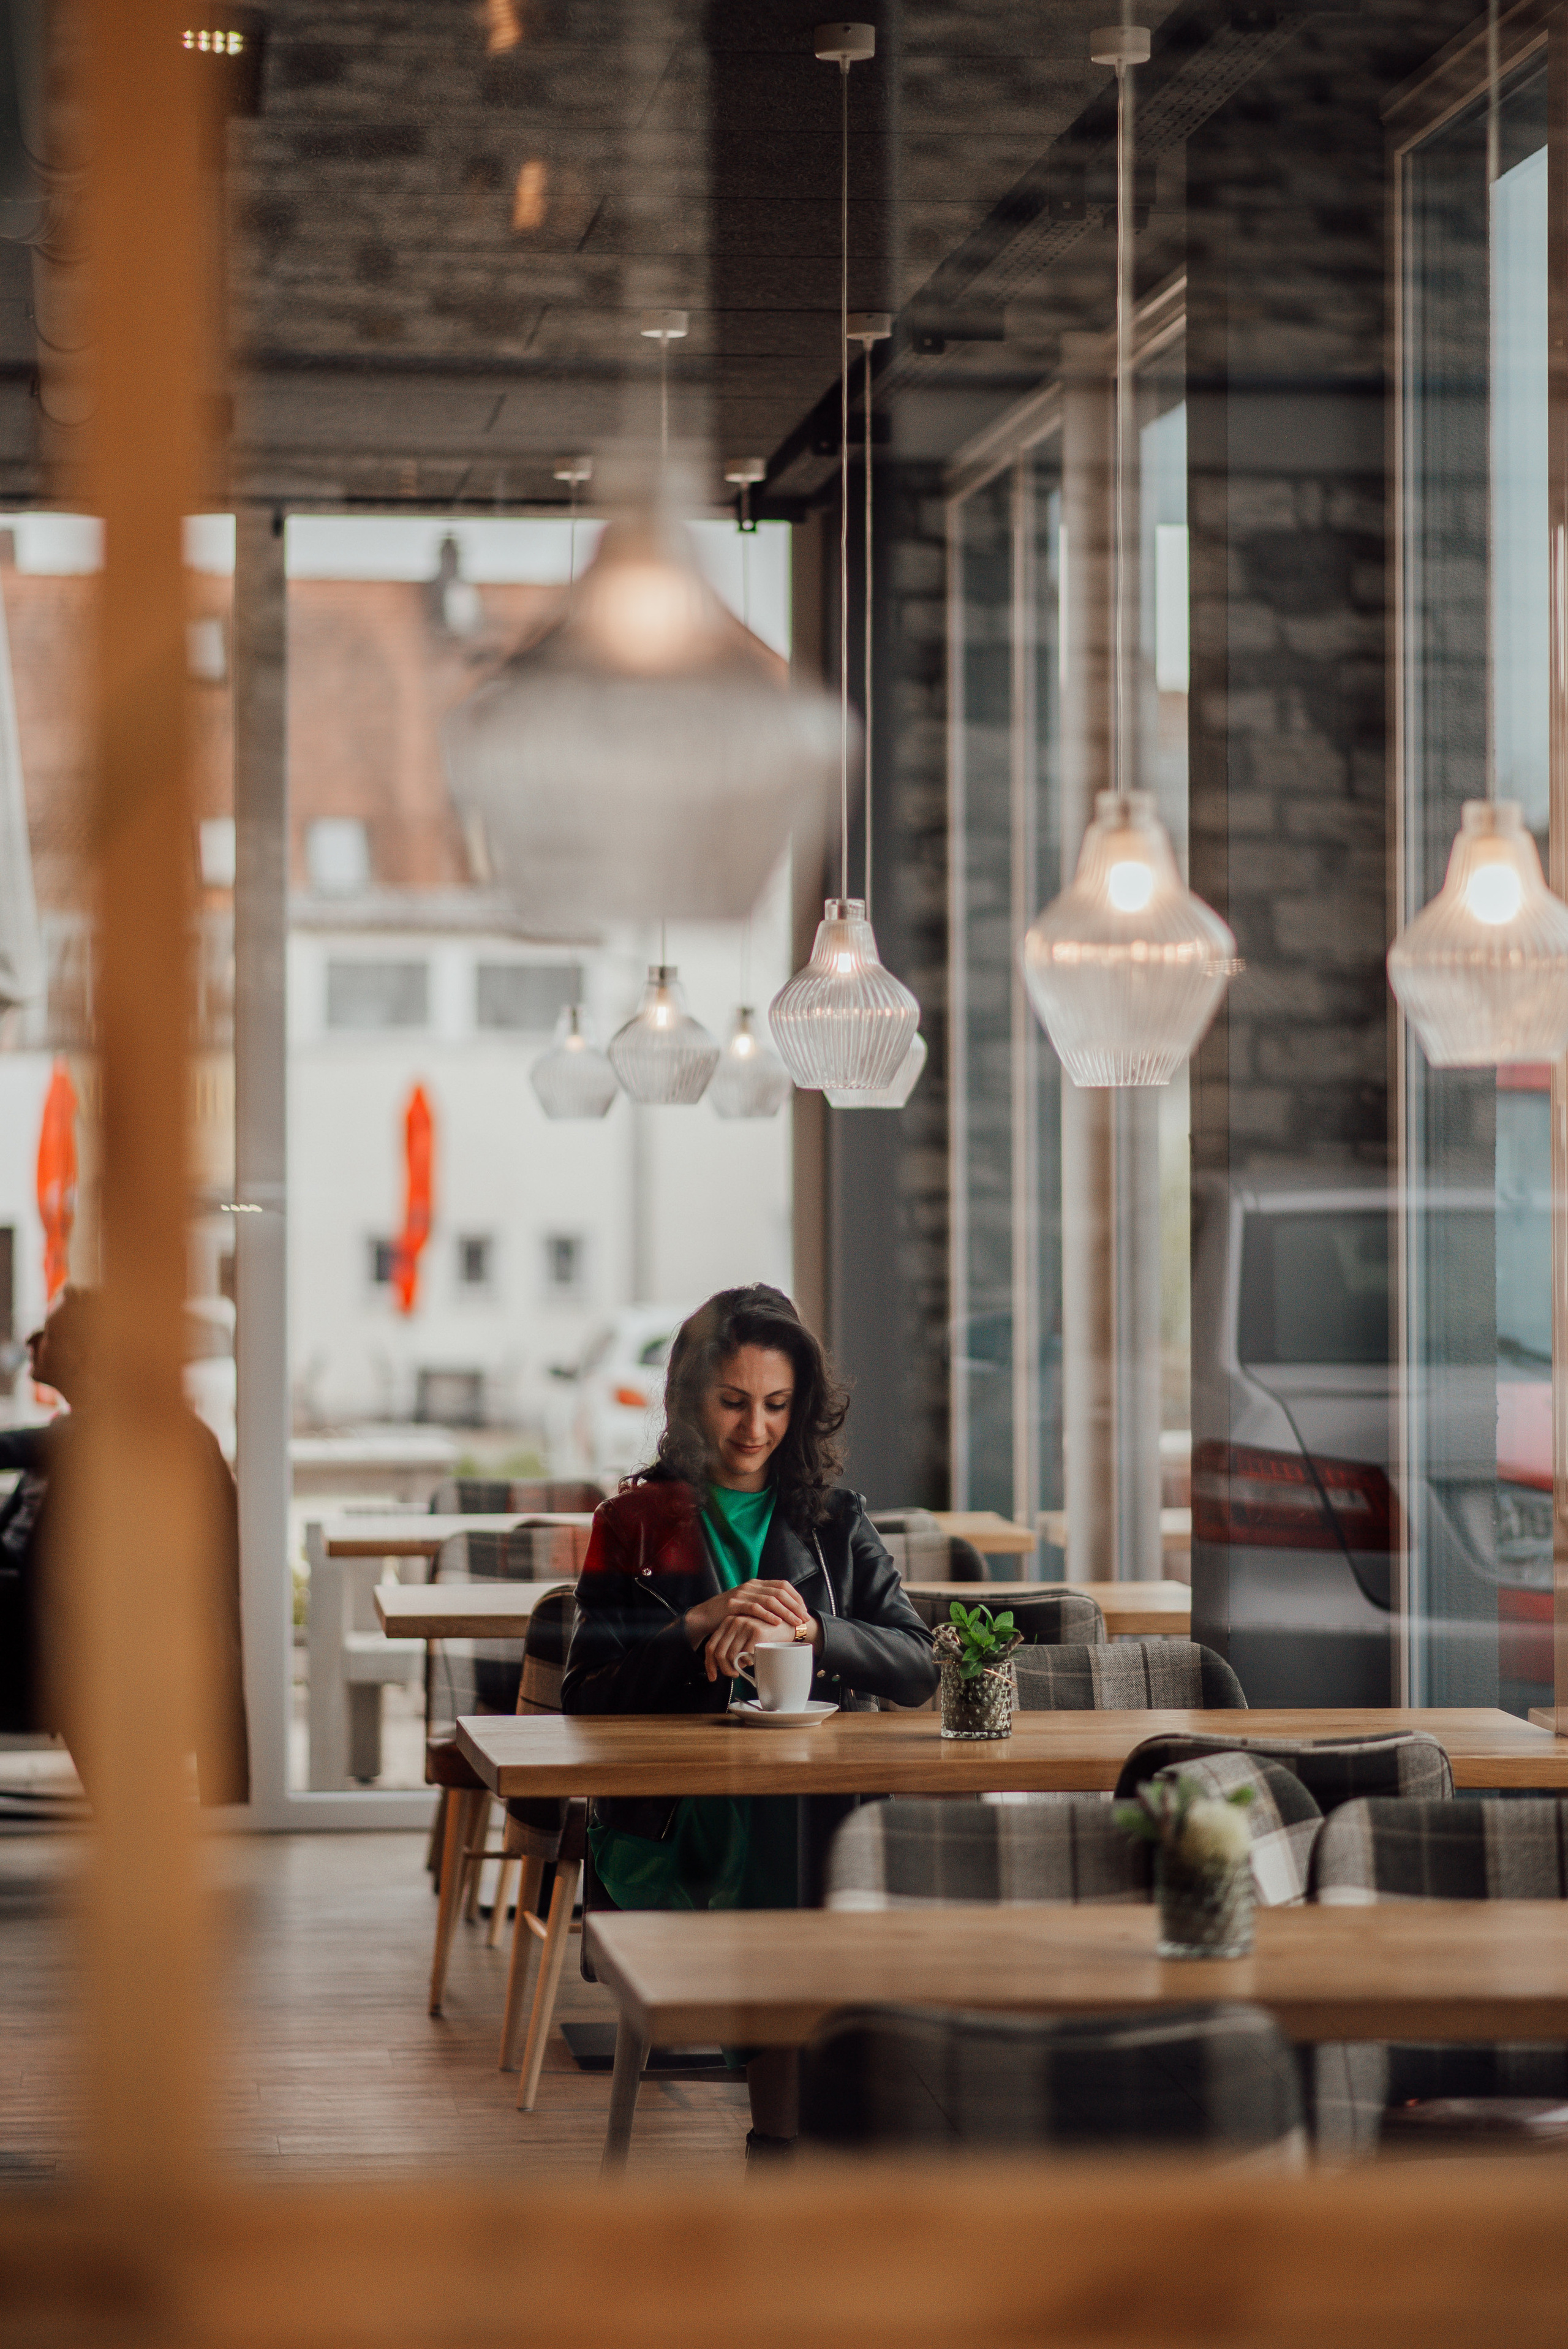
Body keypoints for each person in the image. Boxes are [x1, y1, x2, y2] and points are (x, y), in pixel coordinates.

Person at [562, 1282, 938, 2159]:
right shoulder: (632, 1522)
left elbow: (919, 1664)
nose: (754, 1428)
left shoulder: (836, 1521)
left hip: (804, 1810)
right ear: (692, 1396)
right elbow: (585, 1698)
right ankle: (799, 2135)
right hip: (672, 1822)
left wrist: (816, 1631)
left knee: (797, 1833)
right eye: (733, 1401)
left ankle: (790, 2137)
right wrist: (693, 1627)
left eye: (776, 1404)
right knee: (803, 1860)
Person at [0, 1286, 249, 1805]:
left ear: (78, 1353)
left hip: (60, 1638)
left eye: (45, 1333)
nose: (30, 1341)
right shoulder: (81, 1430)